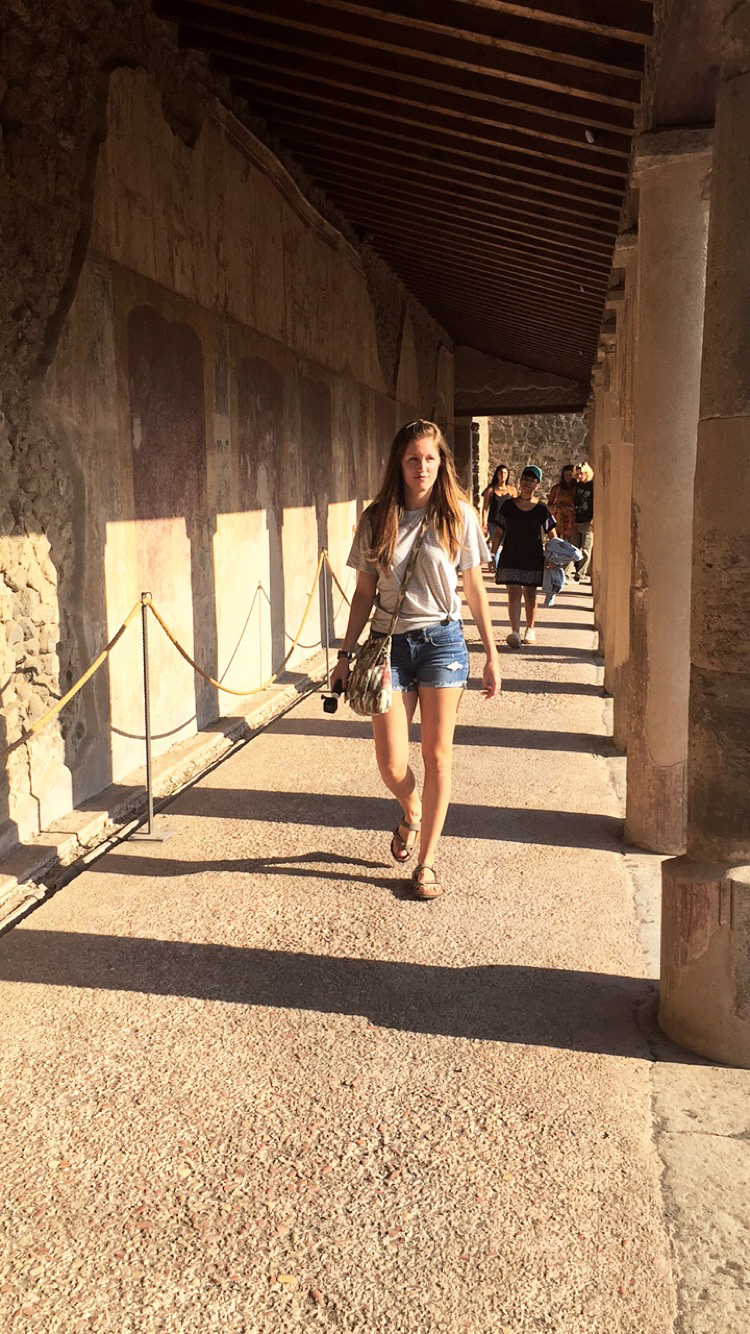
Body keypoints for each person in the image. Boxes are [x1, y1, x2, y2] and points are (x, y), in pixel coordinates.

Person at [329, 419, 501, 901]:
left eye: (429, 458)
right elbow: (364, 594)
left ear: (441, 462)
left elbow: (474, 590)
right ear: (399, 464)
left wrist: (491, 654)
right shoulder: (377, 518)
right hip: (389, 647)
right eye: (412, 459)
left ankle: (426, 862)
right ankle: (412, 810)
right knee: (391, 763)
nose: (421, 468)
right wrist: (344, 656)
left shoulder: (458, 515)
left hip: (443, 643)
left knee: (437, 756)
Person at [490, 464, 557, 648]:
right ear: (520, 481)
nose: (527, 482)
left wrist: (554, 557)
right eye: (525, 479)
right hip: (511, 554)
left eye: (531, 480)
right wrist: (493, 553)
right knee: (513, 593)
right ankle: (515, 631)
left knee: (530, 593)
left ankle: (530, 628)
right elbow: (498, 532)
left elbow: (552, 535)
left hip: (532, 556)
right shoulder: (508, 506)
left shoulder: (542, 509)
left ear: (537, 485)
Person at [481, 463, 517, 552]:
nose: (503, 475)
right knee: (495, 546)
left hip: (507, 522)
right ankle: (495, 561)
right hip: (493, 522)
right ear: (497, 474)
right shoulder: (490, 490)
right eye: (501, 472)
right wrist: (484, 523)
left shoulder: (512, 490)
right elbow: (485, 508)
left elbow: (515, 507)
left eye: (505, 473)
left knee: (507, 546)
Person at [572, 463, 595, 580]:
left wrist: (593, 519)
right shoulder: (577, 486)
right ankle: (570, 571)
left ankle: (580, 574)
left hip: (587, 521)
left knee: (586, 550)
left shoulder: (592, 486)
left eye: (581, 473)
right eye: (577, 474)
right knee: (573, 548)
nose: (579, 476)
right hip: (576, 520)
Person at [547, 464, 577, 542]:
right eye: (565, 475)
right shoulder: (556, 489)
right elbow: (549, 506)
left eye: (570, 475)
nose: (567, 477)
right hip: (557, 519)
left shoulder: (576, 489)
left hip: (571, 521)